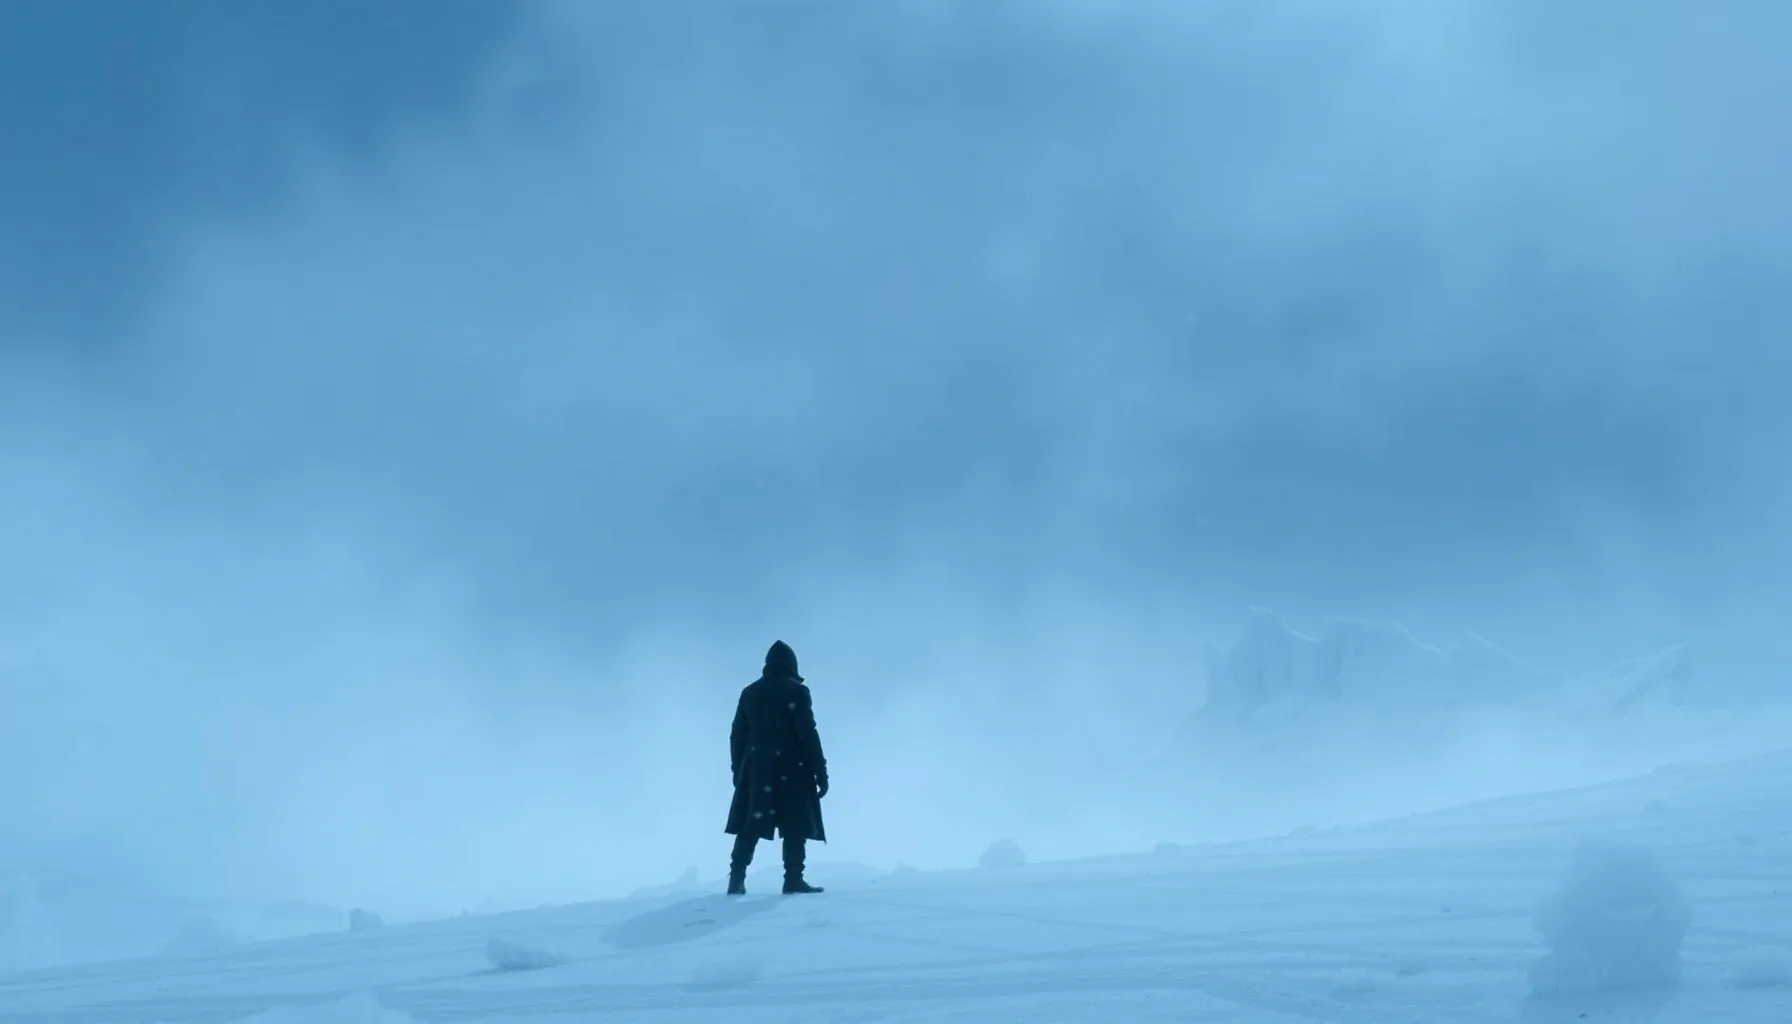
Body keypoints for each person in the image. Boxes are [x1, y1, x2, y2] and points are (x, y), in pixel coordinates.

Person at [725, 640, 828, 895]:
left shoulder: (750, 693)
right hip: (792, 768)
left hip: (757, 770)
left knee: (751, 823)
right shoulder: (797, 692)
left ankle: (736, 878)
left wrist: (739, 771)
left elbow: (737, 735)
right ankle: (793, 878)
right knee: (795, 824)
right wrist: (820, 771)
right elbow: (808, 734)